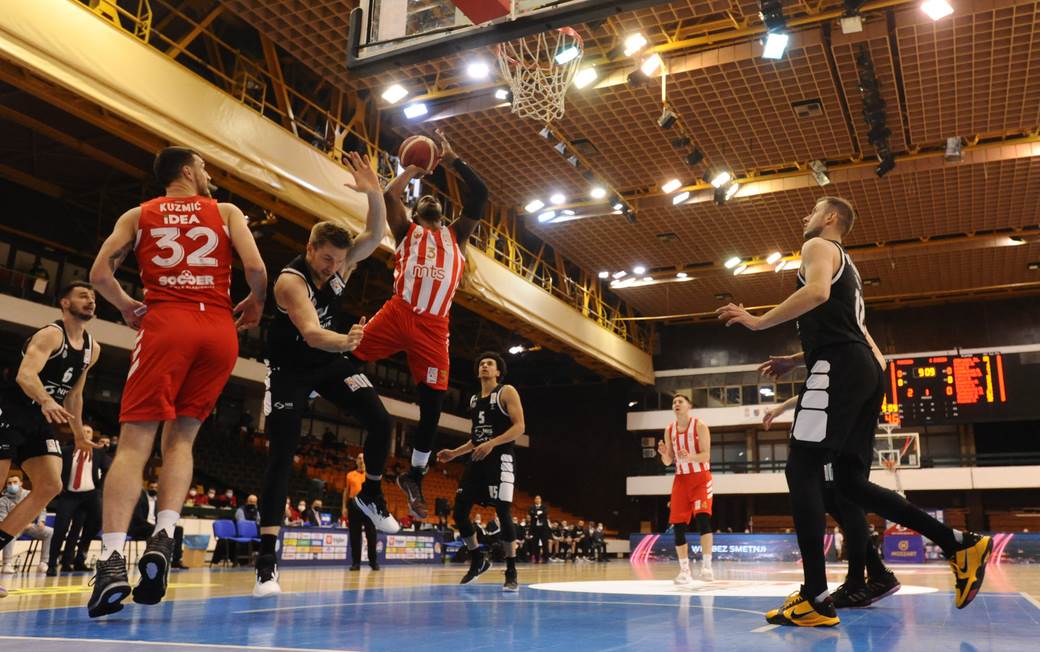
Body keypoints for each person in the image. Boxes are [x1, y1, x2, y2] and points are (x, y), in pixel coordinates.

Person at [718, 196, 992, 627]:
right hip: (864, 370)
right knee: (849, 483)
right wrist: (798, 359)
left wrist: (757, 321)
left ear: (830, 218)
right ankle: (958, 542)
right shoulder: (850, 266)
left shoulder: (816, 246)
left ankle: (814, 597)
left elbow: (817, 292)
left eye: (812, 210)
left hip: (840, 366)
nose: (804, 216)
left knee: (802, 468)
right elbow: (852, 331)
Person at [87, 146, 267, 617]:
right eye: (203, 167)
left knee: (134, 445)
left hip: (168, 322)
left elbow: (99, 273)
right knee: (182, 440)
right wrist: (256, 302)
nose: (208, 174)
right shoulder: (226, 212)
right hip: (219, 329)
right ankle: (164, 535)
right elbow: (256, 269)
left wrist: (126, 305)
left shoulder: (138, 215)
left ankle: (110, 562)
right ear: (187, 170)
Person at [254, 152, 398, 598]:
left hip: (326, 362)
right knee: (281, 456)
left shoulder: (343, 262)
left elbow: (375, 234)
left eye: (338, 260)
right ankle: (266, 566)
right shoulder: (291, 282)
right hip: (291, 368)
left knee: (381, 422)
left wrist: (374, 193)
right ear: (311, 248)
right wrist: (348, 342)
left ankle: (371, 495)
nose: (332, 267)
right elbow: (314, 335)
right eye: (326, 259)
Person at [353, 129, 488, 520]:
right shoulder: (405, 231)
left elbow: (480, 195)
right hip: (400, 312)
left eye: (434, 199)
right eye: (422, 199)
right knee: (347, 355)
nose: (429, 199)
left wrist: (453, 160)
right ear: (414, 214)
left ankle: (414, 475)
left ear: (442, 214)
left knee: (433, 406)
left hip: (434, 327)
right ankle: (311, 386)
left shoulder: (456, 235)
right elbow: (389, 197)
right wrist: (413, 169)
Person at [763, 385, 901, 608]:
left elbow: (834, 388)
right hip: (838, 436)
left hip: (843, 438)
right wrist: (783, 407)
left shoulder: (852, 370)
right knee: (834, 501)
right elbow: (816, 391)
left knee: (847, 501)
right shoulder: (831, 375)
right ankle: (877, 573)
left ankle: (858, 583)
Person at [0, 282, 101, 584]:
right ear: (65, 303)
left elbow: (75, 395)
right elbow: (25, 375)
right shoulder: (51, 334)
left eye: (93, 297)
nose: (90, 300)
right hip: (11, 410)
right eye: (83, 296)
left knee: (50, 485)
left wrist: (79, 434)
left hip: (40, 418)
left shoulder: (92, 349)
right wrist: (46, 399)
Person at [437, 351, 525, 591]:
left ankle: (511, 570)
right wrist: (454, 453)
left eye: (490, 364)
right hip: (478, 459)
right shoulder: (475, 399)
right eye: (482, 363)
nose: (484, 366)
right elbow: (476, 438)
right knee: (459, 512)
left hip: (501, 458)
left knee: (503, 513)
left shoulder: (506, 391)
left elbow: (519, 427)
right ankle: (477, 559)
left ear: (498, 371)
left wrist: (492, 444)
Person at [656, 394, 715, 584]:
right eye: (674, 402)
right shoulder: (669, 429)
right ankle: (684, 571)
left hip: (700, 478)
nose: (676, 404)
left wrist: (689, 457)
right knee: (678, 526)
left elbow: (706, 455)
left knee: (703, 520)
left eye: (680, 401)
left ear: (689, 405)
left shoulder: (700, 426)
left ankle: (707, 567)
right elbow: (668, 461)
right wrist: (664, 454)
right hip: (681, 480)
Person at [48, 425, 108, 575]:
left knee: (93, 522)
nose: (85, 433)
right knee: (61, 528)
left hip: (90, 494)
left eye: (89, 431)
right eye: (83, 431)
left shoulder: (98, 452)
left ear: (92, 435)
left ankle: (75, 560)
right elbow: (53, 468)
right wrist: (58, 484)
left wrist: (100, 488)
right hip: (69, 495)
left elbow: (108, 468)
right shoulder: (65, 451)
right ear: (77, 433)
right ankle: (52, 564)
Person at [0, 474, 53, 574]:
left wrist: (41, 521)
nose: (12, 485)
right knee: (8, 534)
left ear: (21, 483)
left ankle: (43, 563)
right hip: (13, 528)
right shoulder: (3, 501)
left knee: (49, 532)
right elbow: (2, 519)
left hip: (29, 526)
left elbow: (42, 508)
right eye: (9, 483)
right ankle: (7, 564)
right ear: (6, 485)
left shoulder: (30, 495)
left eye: (15, 482)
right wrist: (20, 524)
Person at [342, 454, 378, 571]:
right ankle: (356, 563)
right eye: (359, 458)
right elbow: (346, 491)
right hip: (354, 506)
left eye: (363, 458)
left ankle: (373, 562)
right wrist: (344, 507)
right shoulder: (350, 475)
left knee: (371, 535)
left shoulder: (371, 475)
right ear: (356, 461)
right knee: (355, 536)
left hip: (369, 506)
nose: (361, 460)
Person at [528, 496, 550, 563]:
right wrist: (539, 514)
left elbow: (545, 513)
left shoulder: (544, 507)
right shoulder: (532, 507)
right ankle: (536, 559)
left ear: (541, 500)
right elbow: (531, 513)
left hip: (543, 528)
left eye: (538, 499)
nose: (537, 500)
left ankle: (545, 559)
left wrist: (536, 515)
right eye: (536, 499)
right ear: (534, 500)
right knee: (535, 544)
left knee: (545, 544)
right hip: (535, 528)